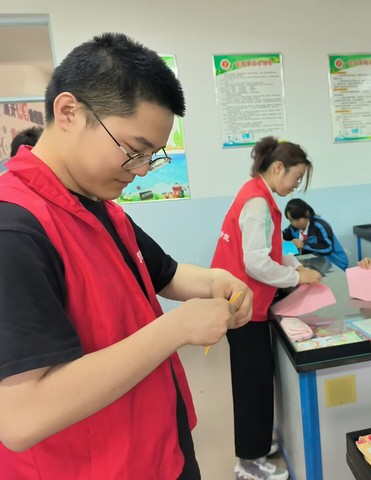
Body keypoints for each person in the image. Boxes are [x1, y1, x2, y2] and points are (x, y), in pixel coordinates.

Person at [0, 33, 253, 479]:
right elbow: (22, 417)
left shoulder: (96, 204)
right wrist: (176, 328)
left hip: (158, 447)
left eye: (151, 157)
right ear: (69, 112)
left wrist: (217, 280)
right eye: (133, 151)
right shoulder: (15, 231)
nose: (140, 171)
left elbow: (164, 274)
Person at [211, 136, 322, 480]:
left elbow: (269, 251)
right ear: (278, 168)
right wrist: (296, 276)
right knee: (252, 385)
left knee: (257, 380)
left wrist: (296, 265)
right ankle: (248, 462)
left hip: (244, 304)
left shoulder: (256, 195)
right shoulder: (258, 202)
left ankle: (257, 442)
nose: (295, 185)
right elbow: (256, 262)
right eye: (296, 177)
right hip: (243, 308)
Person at [282, 198, 348, 270]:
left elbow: (327, 247)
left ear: (306, 214)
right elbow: (283, 236)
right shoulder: (293, 228)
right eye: (291, 220)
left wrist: (304, 245)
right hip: (315, 263)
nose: (294, 223)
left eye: (297, 220)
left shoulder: (320, 226)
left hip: (335, 264)